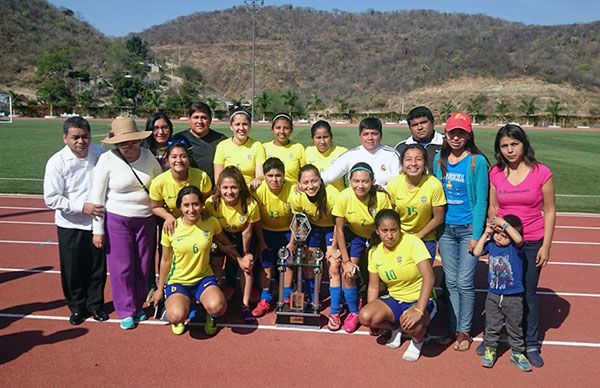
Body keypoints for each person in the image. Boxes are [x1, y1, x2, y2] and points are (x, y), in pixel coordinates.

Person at [487, 123, 555, 368]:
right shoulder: (495, 173)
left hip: (532, 240)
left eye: (514, 144)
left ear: (524, 144)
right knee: (501, 292)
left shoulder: (541, 172)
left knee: (528, 293)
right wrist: (492, 232)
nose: (509, 150)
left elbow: (549, 210)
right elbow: (494, 208)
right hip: (505, 244)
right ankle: (494, 338)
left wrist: (546, 245)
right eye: (504, 146)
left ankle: (531, 342)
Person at [89, 117, 162, 330]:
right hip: (117, 219)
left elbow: (161, 185)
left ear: (139, 140)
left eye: (132, 142)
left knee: (142, 264)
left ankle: (138, 305)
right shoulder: (107, 160)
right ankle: (125, 310)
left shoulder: (149, 157)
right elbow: (97, 198)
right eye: (123, 143)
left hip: (146, 219)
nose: (129, 147)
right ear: (116, 144)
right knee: (122, 267)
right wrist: (97, 231)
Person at [432, 112, 489, 351]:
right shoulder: (439, 160)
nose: (456, 137)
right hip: (445, 229)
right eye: (452, 133)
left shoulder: (477, 161)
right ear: (446, 134)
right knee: (451, 282)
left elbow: (481, 202)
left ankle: (465, 330)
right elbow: (436, 196)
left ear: (468, 135)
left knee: (465, 281)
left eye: (461, 133)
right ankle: (454, 327)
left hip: (468, 229)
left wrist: (477, 236)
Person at [43, 116, 108, 325]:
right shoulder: (56, 162)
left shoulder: (100, 153)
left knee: (97, 267)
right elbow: (51, 198)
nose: (81, 141)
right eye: (75, 137)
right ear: (65, 138)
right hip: (70, 225)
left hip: (96, 223)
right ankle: (77, 307)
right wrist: (82, 207)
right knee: (73, 270)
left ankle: (95, 305)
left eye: (85, 136)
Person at [153, 186, 237, 336]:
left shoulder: (210, 222)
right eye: (186, 205)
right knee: (176, 316)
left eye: (195, 204)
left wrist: (239, 257)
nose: (191, 209)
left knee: (218, 307)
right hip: (178, 281)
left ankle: (210, 316)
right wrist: (159, 289)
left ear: (202, 205)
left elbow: (224, 242)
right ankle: (184, 308)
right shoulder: (171, 227)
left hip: (203, 279)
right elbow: (165, 260)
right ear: (179, 207)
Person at [359, 209, 435, 362]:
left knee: (410, 324)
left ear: (400, 229)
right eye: (384, 231)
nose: (390, 235)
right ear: (378, 231)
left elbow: (429, 277)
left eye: (394, 230)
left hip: (419, 299)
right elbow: (373, 286)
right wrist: (375, 318)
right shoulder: (374, 253)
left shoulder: (412, 242)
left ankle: (417, 341)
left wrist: (419, 310)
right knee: (366, 317)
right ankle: (395, 328)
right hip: (395, 298)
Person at [331, 162, 392, 333]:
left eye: (365, 181)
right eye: (356, 181)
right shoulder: (344, 197)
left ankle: (379, 311)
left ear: (372, 181)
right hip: (355, 236)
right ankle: (353, 312)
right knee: (349, 274)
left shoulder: (381, 197)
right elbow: (340, 230)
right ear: (349, 181)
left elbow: (386, 226)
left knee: (379, 275)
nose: (360, 185)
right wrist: (347, 261)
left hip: (376, 238)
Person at [473, 215, 532, 372]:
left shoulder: (515, 248)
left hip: (513, 297)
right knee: (492, 325)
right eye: (498, 233)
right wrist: (486, 233)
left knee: (515, 327)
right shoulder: (492, 244)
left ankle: (517, 353)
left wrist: (503, 224)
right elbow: (477, 251)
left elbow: (518, 239)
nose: (499, 237)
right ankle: (490, 349)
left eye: (504, 236)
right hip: (493, 295)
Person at [206, 166, 259, 322]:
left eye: (234, 187)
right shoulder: (211, 203)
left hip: (241, 237)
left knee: (247, 266)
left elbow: (247, 232)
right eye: (225, 188)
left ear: (240, 187)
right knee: (215, 264)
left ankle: (245, 305)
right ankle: (217, 299)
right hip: (219, 236)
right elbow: (210, 231)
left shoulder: (250, 204)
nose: (229, 192)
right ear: (219, 188)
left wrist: (245, 254)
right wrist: (223, 247)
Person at [289, 164, 339, 310]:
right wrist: (293, 243)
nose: (310, 186)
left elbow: (339, 225)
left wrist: (333, 248)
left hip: (332, 228)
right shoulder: (297, 196)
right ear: (299, 184)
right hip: (313, 228)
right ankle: (313, 299)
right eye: (305, 182)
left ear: (320, 180)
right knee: (309, 263)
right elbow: (298, 222)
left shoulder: (332, 195)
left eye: (314, 181)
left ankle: (335, 309)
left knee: (333, 264)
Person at [251, 157, 295, 317]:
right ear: (264, 176)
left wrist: (292, 242)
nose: (274, 179)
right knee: (266, 265)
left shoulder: (293, 189)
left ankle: (286, 297)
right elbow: (255, 220)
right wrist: (261, 241)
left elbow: (297, 218)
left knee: (288, 263)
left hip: (287, 231)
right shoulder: (258, 191)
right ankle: (266, 298)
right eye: (270, 176)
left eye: (278, 175)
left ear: (284, 176)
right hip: (266, 231)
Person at [386, 144, 446, 260]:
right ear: (402, 163)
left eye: (418, 159)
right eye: (408, 159)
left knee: (425, 276)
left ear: (425, 163)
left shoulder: (434, 184)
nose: (413, 163)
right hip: (400, 238)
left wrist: (417, 237)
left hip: (425, 239)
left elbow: (438, 218)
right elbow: (390, 216)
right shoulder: (393, 184)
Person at [149, 141, 212, 235]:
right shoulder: (159, 182)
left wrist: (203, 209)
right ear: (167, 159)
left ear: (189, 159)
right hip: (174, 226)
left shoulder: (202, 177)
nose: (178, 160)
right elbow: (156, 207)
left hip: (198, 224)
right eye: (174, 157)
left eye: (183, 156)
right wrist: (168, 217)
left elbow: (207, 198)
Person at [321, 117, 400, 188]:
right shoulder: (350, 155)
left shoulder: (392, 155)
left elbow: (397, 184)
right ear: (360, 136)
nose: (370, 138)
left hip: (383, 201)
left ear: (381, 135)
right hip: (356, 202)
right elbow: (329, 176)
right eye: (366, 134)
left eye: (374, 134)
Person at [173, 101, 227, 183]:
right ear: (189, 119)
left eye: (204, 118)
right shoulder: (179, 139)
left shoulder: (221, 141)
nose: (200, 122)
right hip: (185, 190)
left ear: (210, 120)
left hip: (212, 190)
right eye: (196, 117)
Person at [213, 106, 265, 190]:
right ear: (231, 126)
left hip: (249, 190)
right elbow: (218, 179)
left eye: (245, 124)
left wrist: (257, 180)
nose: (241, 128)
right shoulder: (222, 146)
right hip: (229, 191)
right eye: (237, 124)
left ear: (250, 126)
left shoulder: (257, 146)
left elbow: (260, 175)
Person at [394, 106, 444, 173]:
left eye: (423, 122)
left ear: (432, 123)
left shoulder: (447, 143)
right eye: (415, 125)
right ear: (410, 128)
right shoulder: (401, 148)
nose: (420, 127)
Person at [304, 120, 347, 191]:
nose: (322, 142)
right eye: (318, 138)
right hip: (315, 198)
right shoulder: (308, 151)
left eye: (326, 137)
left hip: (337, 199)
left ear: (331, 136)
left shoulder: (342, 152)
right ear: (312, 139)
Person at [263, 114, 305, 183]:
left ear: (291, 130)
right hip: (270, 190)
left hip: (293, 190)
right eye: (278, 128)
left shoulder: (298, 148)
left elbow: (305, 173)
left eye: (286, 128)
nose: (282, 131)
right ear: (272, 129)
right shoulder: (264, 147)